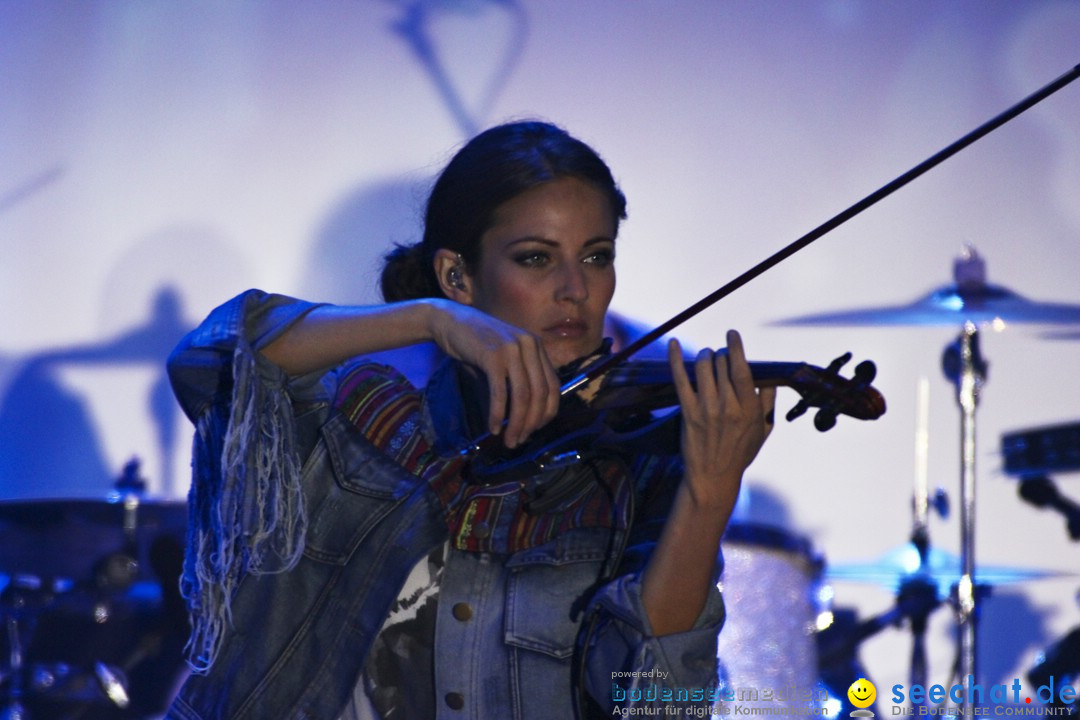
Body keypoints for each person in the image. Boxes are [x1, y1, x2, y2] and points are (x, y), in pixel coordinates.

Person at [164, 120, 776, 720]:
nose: (575, 289)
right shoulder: (362, 423)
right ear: (458, 275)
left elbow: (661, 708)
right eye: (536, 258)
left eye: (596, 256)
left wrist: (710, 490)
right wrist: (429, 319)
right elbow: (211, 360)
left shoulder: (638, 472)